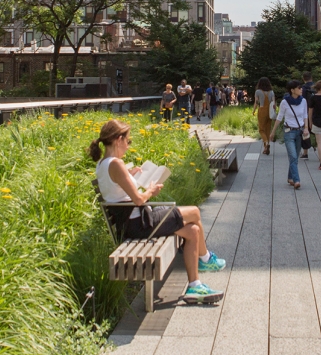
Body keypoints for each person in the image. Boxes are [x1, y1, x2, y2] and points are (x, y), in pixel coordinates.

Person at [91, 119, 225, 304]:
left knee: (193, 231)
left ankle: (195, 286)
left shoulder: (103, 164)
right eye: (128, 141)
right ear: (118, 139)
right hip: (140, 224)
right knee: (194, 212)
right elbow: (138, 199)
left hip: (132, 222)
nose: (128, 146)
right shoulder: (116, 163)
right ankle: (206, 258)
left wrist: (131, 175)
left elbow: (116, 191)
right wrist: (151, 191)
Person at [271, 80, 309, 189]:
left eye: (301, 88)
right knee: (293, 156)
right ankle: (296, 180)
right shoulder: (285, 102)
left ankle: (290, 177)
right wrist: (273, 132)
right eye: (299, 88)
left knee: (295, 156)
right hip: (289, 132)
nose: (301, 89)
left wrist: (306, 128)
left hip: (300, 131)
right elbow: (279, 117)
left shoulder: (303, 101)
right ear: (292, 90)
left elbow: (305, 115)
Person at [253, 77, 276, 155]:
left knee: (261, 129)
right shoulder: (272, 92)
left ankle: (266, 143)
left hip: (262, 110)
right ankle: (266, 148)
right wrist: (274, 113)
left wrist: (254, 110)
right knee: (267, 129)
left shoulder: (258, 91)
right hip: (269, 111)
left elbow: (256, 102)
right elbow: (274, 104)